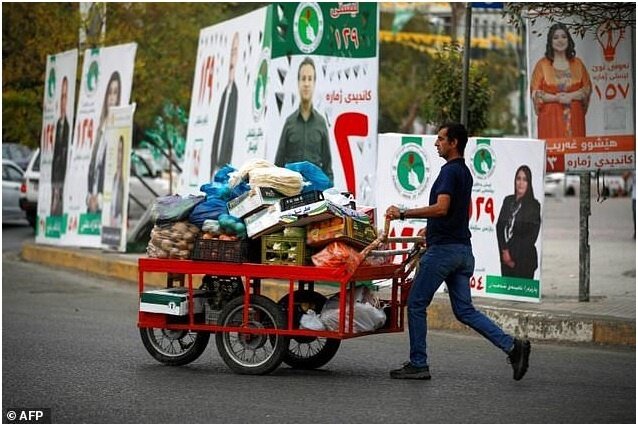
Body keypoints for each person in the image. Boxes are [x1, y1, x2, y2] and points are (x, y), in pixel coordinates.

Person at [385, 122, 530, 381]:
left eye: (441, 139)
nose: (436, 143)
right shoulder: (464, 172)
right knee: (465, 311)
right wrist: (429, 231)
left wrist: (403, 213)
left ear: (454, 143)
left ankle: (419, 363)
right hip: (462, 251)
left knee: (416, 304)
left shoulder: (450, 173)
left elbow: (442, 208)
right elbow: (452, 213)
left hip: (443, 253)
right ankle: (512, 346)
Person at [275, 56, 333, 182]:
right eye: (303, 79)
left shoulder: (321, 123)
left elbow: (328, 168)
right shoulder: (289, 122)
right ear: (298, 82)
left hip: (315, 194)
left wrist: (330, 193)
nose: (306, 84)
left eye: (310, 79)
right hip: (291, 193)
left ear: (314, 83)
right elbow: (278, 165)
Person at [530, 22, 592, 139]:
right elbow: (535, 93)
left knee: (575, 153)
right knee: (553, 154)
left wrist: (571, 96)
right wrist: (556, 98)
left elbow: (587, 89)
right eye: (556, 37)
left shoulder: (578, 64)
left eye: (564, 37)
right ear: (550, 41)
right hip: (550, 120)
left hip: (575, 118)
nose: (560, 40)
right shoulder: (542, 65)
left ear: (568, 40)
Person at [495, 165, 542, 279]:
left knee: (521, 294)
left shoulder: (534, 205)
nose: (521, 183)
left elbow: (531, 236)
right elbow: (499, 227)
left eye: (525, 179)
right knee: (507, 292)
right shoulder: (508, 201)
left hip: (524, 261)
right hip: (506, 260)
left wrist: (513, 258)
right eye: (518, 178)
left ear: (529, 183)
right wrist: (505, 252)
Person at [87, 71, 121, 213]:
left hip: (104, 202)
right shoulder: (100, 128)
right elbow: (93, 165)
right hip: (91, 200)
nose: (112, 98)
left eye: (115, 93)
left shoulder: (117, 128)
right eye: (110, 93)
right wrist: (90, 196)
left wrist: (99, 199)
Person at [210, 32, 239, 177]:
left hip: (225, 168)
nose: (232, 58)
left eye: (235, 52)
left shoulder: (236, 94)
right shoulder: (223, 94)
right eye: (231, 52)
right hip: (214, 167)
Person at [51, 76, 70, 216]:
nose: (63, 101)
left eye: (66, 97)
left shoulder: (68, 126)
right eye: (62, 97)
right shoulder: (57, 125)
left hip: (64, 178)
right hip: (55, 178)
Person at [109, 136, 125, 227]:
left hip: (118, 223)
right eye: (118, 151)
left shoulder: (123, 179)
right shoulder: (114, 177)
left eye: (121, 152)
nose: (119, 156)